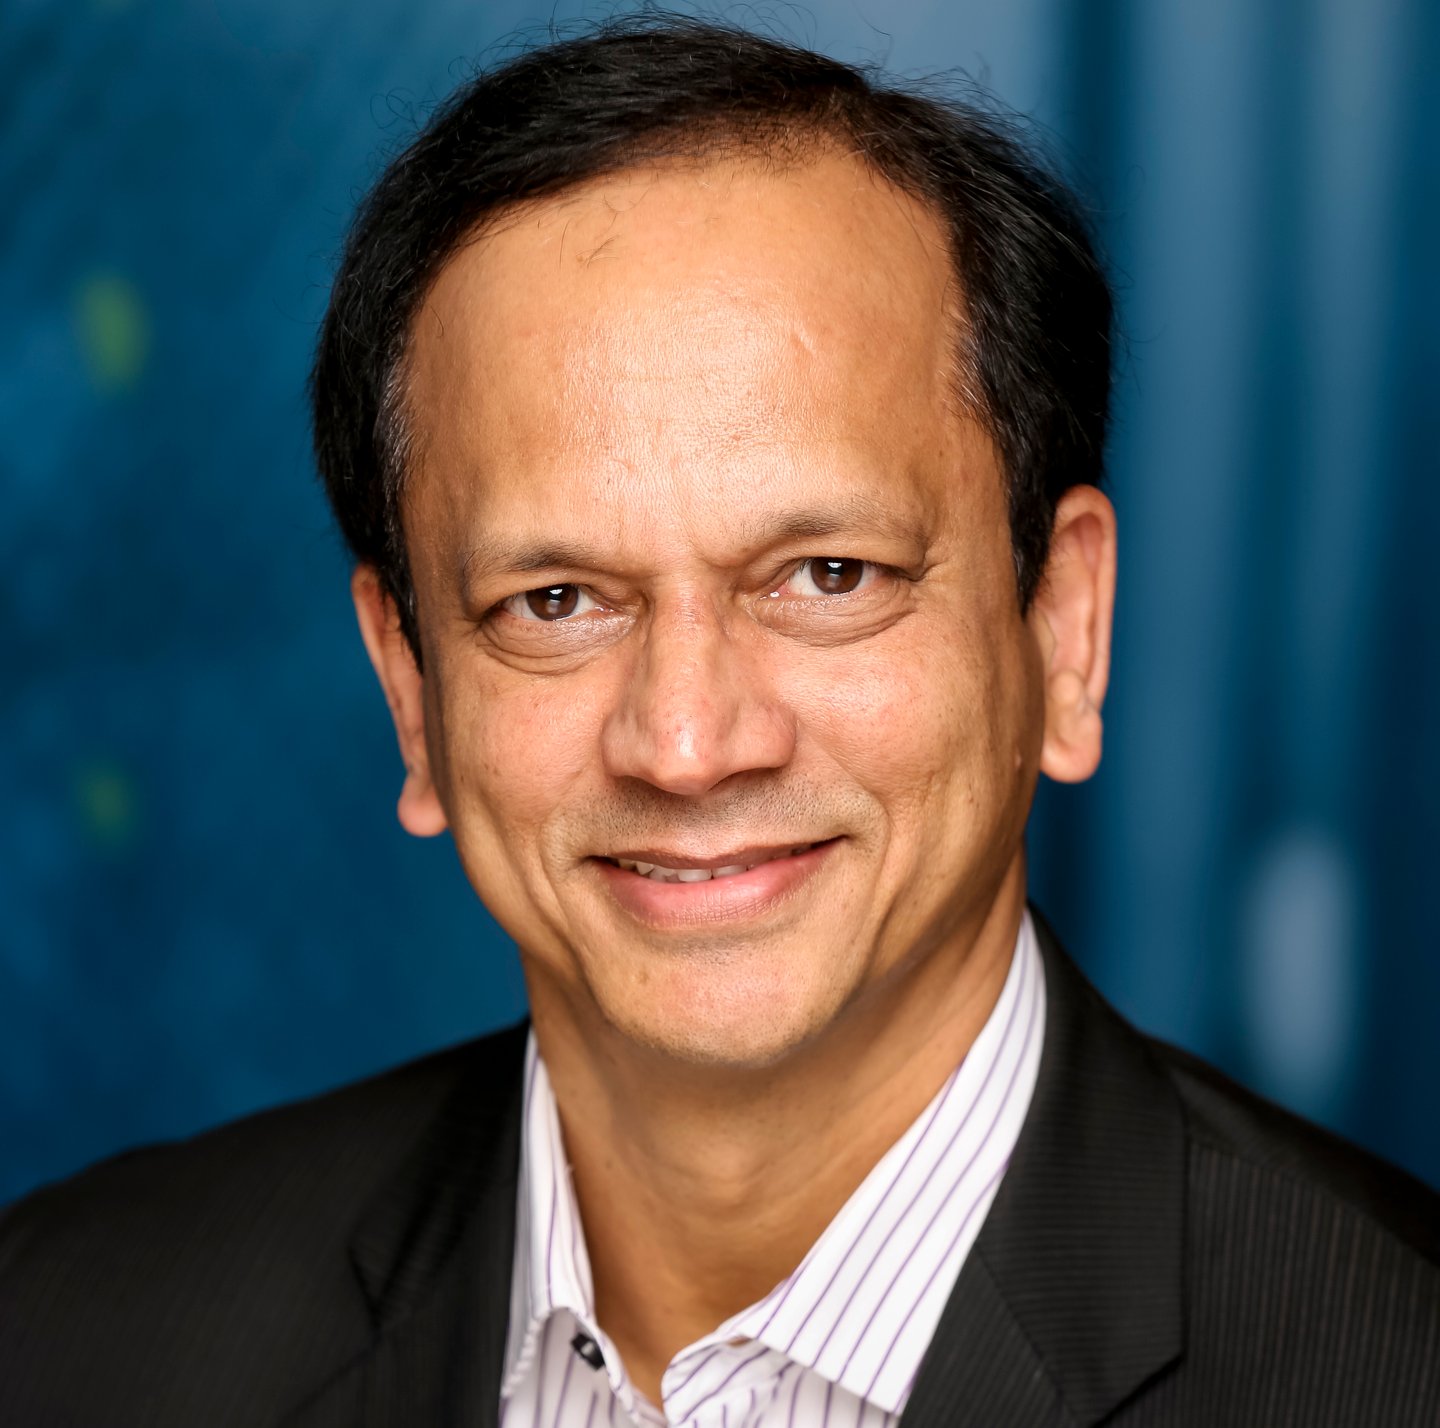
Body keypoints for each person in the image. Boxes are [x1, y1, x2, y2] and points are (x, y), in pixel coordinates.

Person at [2, 16, 1436, 1427]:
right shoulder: (76, 1338)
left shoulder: (1390, 1365)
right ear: (411, 688)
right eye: (556, 601)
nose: (688, 743)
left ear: (1063, 629)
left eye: (829, 577)